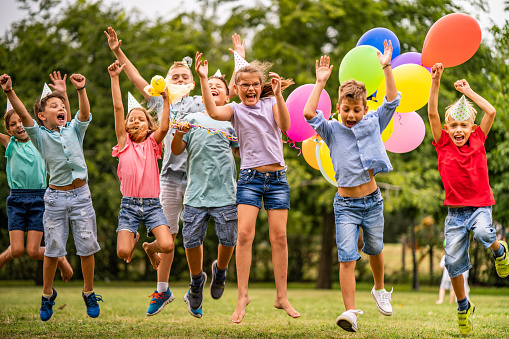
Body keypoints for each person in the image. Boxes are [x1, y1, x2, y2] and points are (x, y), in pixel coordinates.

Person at [105, 26, 203, 316]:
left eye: (185, 76)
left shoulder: (201, 102)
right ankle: (162, 291)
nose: (180, 79)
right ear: (165, 83)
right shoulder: (159, 101)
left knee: (193, 237)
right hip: (169, 180)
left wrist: (213, 72)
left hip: (198, 177)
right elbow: (134, 79)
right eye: (175, 76)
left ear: (193, 83)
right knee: (168, 235)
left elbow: (227, 95)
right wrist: (117, 52)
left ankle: (196, 288)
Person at [303, 42, 400, 333]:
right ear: (338, 107)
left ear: (364, 108)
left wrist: (386, 67)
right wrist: (320, 83)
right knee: (347, 257)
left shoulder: (373, 122)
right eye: (346, 109)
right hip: (345, 205)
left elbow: (392, 100)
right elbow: (309, 112)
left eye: (356, 110)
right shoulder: (331, 130)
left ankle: (379, 289)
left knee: (376, 249)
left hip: (372, 202)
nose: (351, 115)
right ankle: (349, 312)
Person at [197, 51, 299, 324]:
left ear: (260, 85)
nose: (251, 88)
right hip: (250, 180)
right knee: (244, 235)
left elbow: (286, 126)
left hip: (277, 180)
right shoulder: (236, 111)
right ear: (237, 89)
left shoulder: (270, 102)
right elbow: (212, 111)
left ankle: (282, 296)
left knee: (280, 238)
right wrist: (204, 79)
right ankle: (242, 296)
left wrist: (278, 95)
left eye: (255, 84)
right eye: (245, 85)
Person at [1, 71, 103, 322]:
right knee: (53, 250)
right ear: (41, 115)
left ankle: (88, 292)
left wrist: (80, 90)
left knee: (87, 247)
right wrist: (9, 91)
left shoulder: (74, 130)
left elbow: (83, 113)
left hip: (81, 196)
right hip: (55, 199)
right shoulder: (38, 136)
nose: (60, 109)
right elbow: (23, 115)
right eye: (53, 106)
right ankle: (47, 295)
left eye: (62, 106)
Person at [428, 63, 508, 336]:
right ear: (447, 128)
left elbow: (491, 111)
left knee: (486, 232)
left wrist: (469, 91)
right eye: (453, 125)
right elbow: (431, 112)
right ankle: (463, 306)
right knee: (452, 263)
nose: (458, 130)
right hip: (455, 214)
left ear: (471, 126)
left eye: (463, 125)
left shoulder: (478, 138)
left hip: (480, 207)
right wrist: (436, 81)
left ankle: (500, 250)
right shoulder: (442, 143)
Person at [171, 71, 238, 318]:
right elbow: (177, 150)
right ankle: (196, 280)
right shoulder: (192, 118)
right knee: (191, 240)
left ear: (228, 94)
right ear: (201, 94)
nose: (213, 87)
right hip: (196, 195)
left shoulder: (231, 120)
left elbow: (241, 152)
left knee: (229, 239)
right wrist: (179, 133)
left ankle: (220, 271)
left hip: (226, 194)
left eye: (218, 86)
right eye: (209, 85)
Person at [0, 72, 73, 281]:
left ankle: (60, 258)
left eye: (21, 122)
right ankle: (6, 256)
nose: (19, 126)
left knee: (32, 252)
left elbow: (59, 121)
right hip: (16, 199)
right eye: (13, 125)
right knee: (16, 251)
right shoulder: (9, 144)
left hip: (39, 198)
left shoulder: (39, 140)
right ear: (8, 130)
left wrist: (61, 93)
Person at [108, 60, 174, 272]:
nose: (136, 121)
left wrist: (165, 99)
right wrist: (114, 78)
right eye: (132, 119)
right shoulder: (123, 143)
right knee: (123, 253)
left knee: (167, 245)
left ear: (148, 125)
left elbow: (165, 126)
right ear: (126, 125)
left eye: (141, 119)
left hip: (153, 205)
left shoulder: (153, 143)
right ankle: (135, 237)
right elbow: (118, 107)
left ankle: (149, 247)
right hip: (129, 206)